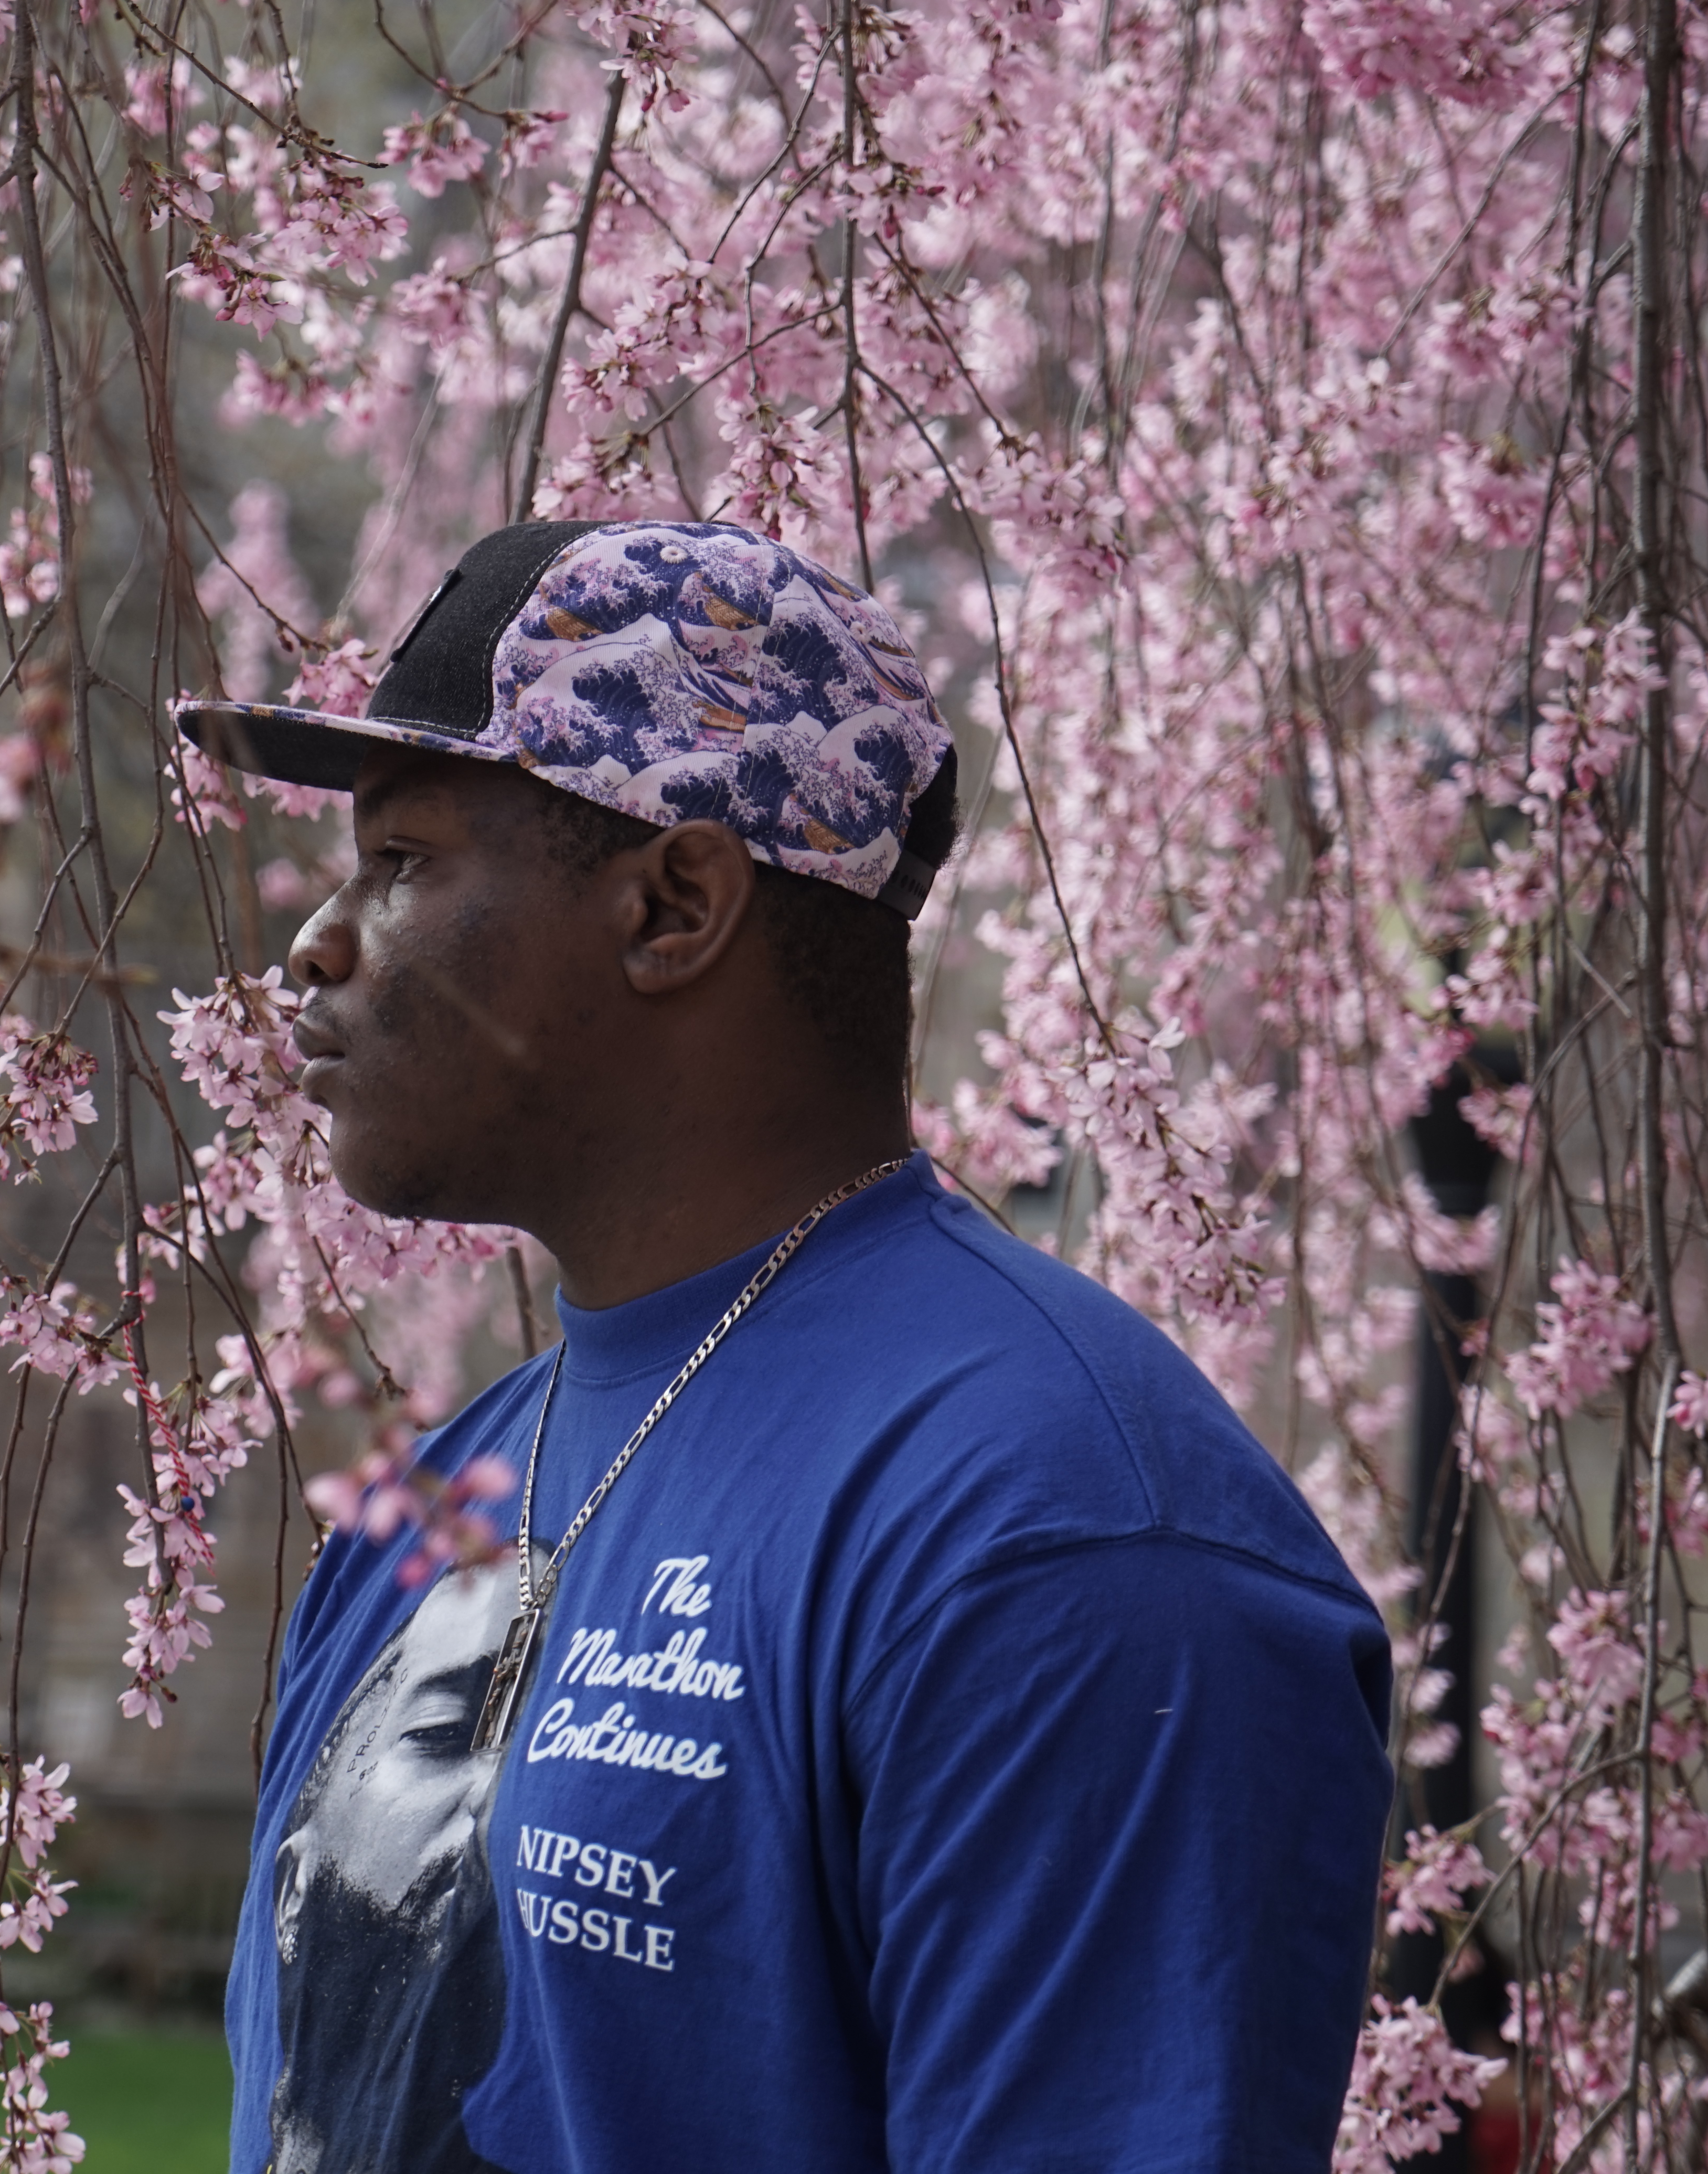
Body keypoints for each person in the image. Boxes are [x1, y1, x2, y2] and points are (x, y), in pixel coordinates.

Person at [177, 519, 1396, 2174]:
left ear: (674, 905)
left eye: (401, 865)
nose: (314, 945)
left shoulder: (1060, 1543)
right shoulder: (439, 1500)